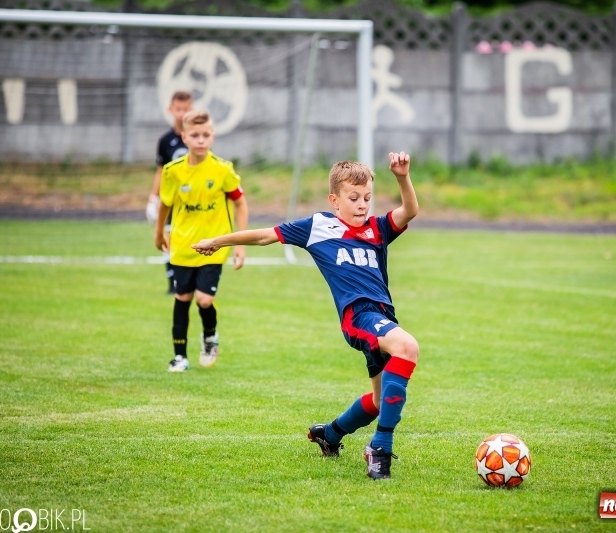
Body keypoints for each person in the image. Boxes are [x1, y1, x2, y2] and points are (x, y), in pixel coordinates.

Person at [192, 152, 419, 479]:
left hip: (383, 317)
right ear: (334, 200)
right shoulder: (319, 226)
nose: (361, 205)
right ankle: (380, 447)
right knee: (407, 347)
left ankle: (330, 434)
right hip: (358, 316)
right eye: (353, 198)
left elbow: (410, 210)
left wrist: (401, 177)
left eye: (367, 198)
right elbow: (264, 235)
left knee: (380, 402)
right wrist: (218, 241)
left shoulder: (377, 229)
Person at [154, 109, 249, 372]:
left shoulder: (222, 170)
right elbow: (165, 204)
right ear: (184, 137)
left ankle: (210, 337)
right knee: (183, 296)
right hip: (182, 244)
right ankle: (179, 357)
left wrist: (238, 245)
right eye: (194, 135)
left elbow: (240, 204)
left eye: (205, 135)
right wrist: (158, 232)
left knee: (204, 300)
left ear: (212, 136)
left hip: (213, 246)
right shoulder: (173, 172)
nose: (200, 140)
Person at [147, 91, 193, 294]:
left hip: (191, 199)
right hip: (171, 198)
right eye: (179, 109)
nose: (182, 114)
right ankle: (172, 281)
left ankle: (190, 278)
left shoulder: (196, 137)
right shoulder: (165, 141)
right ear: (171, 110)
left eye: (186, 109)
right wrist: (153, 197)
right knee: (167, 236)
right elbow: (160, 171)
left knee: (188, 237)